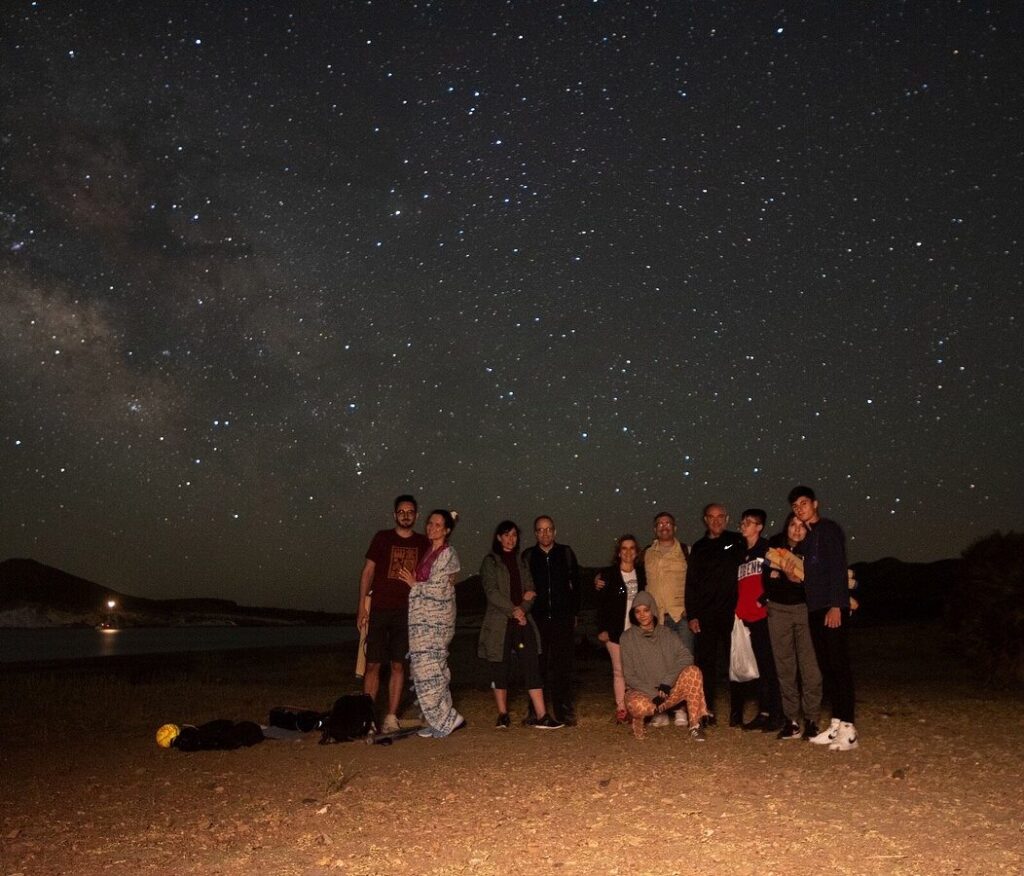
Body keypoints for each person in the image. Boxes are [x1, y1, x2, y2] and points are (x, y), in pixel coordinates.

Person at [788, 485, 858, 751]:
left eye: (803, 503)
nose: (799, 509)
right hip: (815, 609)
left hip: (831, 608)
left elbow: (839, 568)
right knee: (827, 667)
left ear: (815, 504)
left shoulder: (829, 530)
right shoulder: (808, 537)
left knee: (839, 666)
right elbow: (813, 574)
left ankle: (849, 729)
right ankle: (837, 724)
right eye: (795, 506)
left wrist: (837, 605)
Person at [478, 520, 564, 730]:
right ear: (499, 537)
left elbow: (531, 589)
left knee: (532, 662)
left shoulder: (521, 561)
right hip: (500, 621)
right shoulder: (490, 561)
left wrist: (523, 609)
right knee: (500, 665)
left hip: (522, 620)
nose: (510, 539)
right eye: (506, 535)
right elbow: (492, 592)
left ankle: (542, 715)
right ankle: (503, 714)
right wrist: (514, 609)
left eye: (514, 535)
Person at [356, 495, 430, 734]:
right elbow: (368, 571)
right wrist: (361, 606)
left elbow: (432, 575)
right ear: (394, 515)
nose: (405, 515)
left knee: (399, 665)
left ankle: (391, 717)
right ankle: (367, 719)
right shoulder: (382, 538)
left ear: (416, 515)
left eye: (410, 511)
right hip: (379, 609)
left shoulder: (423, 542)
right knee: (373, 664)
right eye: (401, 511)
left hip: (407, 613)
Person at [398, 509, 466, 738]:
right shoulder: (429, 552)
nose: (432, 527)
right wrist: (417, 584)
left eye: (438, 525)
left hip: (437, 620)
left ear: (446, 530)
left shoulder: (448, 553)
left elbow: (440, 588)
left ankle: (447, 718)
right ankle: (438, 718)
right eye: (430, 523)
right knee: (428, 667)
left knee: (431, 667)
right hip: (424, 620)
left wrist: (414, 584)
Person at [764, 512, 823, 740]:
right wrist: (782, 578)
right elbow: (768, 580)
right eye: (792, 525)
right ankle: (792, 721)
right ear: (786, 526)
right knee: (785, 667)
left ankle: (812, 719)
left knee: (810, 669)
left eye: (801, 526)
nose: (797, 530)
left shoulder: (814, 550)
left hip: (805, 611)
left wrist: (796, 581)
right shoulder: (775, 546)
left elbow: (818, 584)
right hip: (778, 611)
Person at [620, 591, 709, 741]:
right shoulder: (627, 638)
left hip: (666, 691)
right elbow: (629, 676)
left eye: (646, 610)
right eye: (637, 611)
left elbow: (687, 656)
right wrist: (652, 693)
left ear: (653, 610)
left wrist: (667, 682)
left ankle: (695, 725)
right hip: (645, 693)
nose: (642, 615)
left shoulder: (666, 633)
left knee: (693, 672)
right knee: (638, 705)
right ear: (633, 614)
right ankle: (638, 723)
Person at [686, 503, 744, 726]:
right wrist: (693, 615)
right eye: (712, 517)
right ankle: (706, 709)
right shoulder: (699, 547)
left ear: (727, 519)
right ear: (705, 520)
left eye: (721, 517)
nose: (716, 521)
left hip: (733, 614)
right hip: (706, 615)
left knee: (735, 664)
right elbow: (691, 583)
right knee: (705, 665)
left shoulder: (737, 541)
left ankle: (737, 711)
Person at [522, 516, 581, 725]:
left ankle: (563, 711)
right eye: (540, 530)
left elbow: (577, 584)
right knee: (537, 666)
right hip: (537, 620)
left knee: (562, 667)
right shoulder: (529, 556)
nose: (545, 534)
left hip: (562, 619)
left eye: (548, 530)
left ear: (554, 532)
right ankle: (535, 711)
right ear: (535, 533)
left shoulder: (565, 553)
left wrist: (574, 613)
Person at [730, 508, 783, 732]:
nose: (743, 525)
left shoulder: (767, 550)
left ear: (759, 527)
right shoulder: (741, 553)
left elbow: (778, 577)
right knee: (757, 668)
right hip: (744, 618)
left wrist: (764, 600)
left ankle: (777, 714)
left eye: (749, 522)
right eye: (742, 522)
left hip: (762, 617)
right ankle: (763, 712)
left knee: (769, 666)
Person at [595, 535, 646, 723]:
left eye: (632, 548)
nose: (628, 552)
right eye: (624, 548)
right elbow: (601, 604)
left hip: (636, 630)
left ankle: (635, 706)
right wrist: (602, 628)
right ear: (618, 552)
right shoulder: (608, 575)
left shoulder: (641, 573)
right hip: (614, 630)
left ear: (636, 552)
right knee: (619, 671)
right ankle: (621, 708)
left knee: (636, 671)